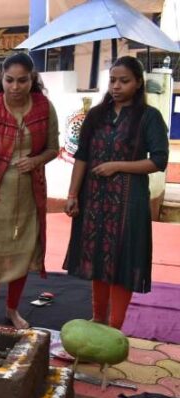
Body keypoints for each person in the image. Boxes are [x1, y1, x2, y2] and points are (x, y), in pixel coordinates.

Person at [64, 56, 168, 329]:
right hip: (94, 199)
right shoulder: (97, 116)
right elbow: (82, 156)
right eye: (112, 80)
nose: (116, 86)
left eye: (124, 81)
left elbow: (159, 161)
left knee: (123, 261)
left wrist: (117, 166)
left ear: (138, 83)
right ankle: (98, 319)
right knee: (98, 257)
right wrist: (72, 195)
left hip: (129, 201)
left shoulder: (149, 117)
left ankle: (115, 327)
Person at [0, 52, 59, 329]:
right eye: (10, 80)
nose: (16, 87)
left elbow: (53, 148)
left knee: (23, 253)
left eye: (22, 80)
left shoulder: (44, 107)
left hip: (30, 194)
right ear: (2, 78)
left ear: (32, 79)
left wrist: (36, 160)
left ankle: (12, 310)